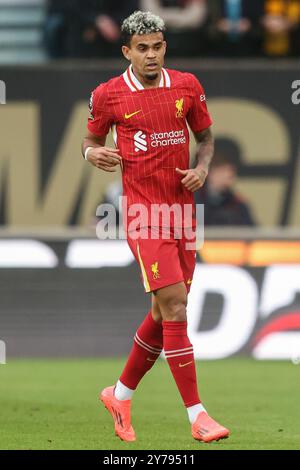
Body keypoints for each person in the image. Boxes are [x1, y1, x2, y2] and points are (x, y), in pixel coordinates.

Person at [82, 10, 229, 443]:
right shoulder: (108, 95)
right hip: (145, 215)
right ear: (126, 51)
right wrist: (92, 155)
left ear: (165, 46)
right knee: (177, 306)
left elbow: (205, 140)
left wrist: (201, 169)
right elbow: (91, 142)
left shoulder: (187, 86)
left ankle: (119, 394)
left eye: (158, 47)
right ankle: (198, 416)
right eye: (142, 48)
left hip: (183, 213)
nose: (152, 56)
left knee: (161, 312)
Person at [195, 152, 256, 225]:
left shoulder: (238, 204)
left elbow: (252, 232)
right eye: (222, 171)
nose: (229, 175)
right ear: (210, 173)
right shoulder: (194, 200)